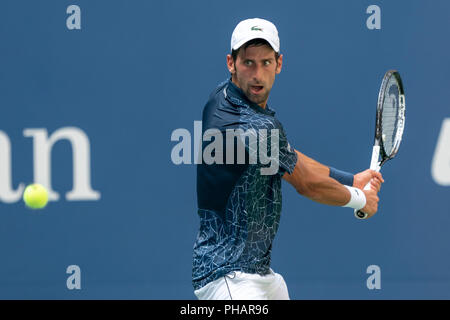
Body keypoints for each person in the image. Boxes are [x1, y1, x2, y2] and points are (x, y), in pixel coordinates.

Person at [192, 18, 383, 300]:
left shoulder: (221, 97)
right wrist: (359, 198)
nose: (257, 74)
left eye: (266, 63)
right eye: (248, 63)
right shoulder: (252, 126)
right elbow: (307, 184)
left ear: (279, 64)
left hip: (259, 276)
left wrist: (350, 179)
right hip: (229, 279)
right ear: (231, 63)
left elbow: (288, 157)